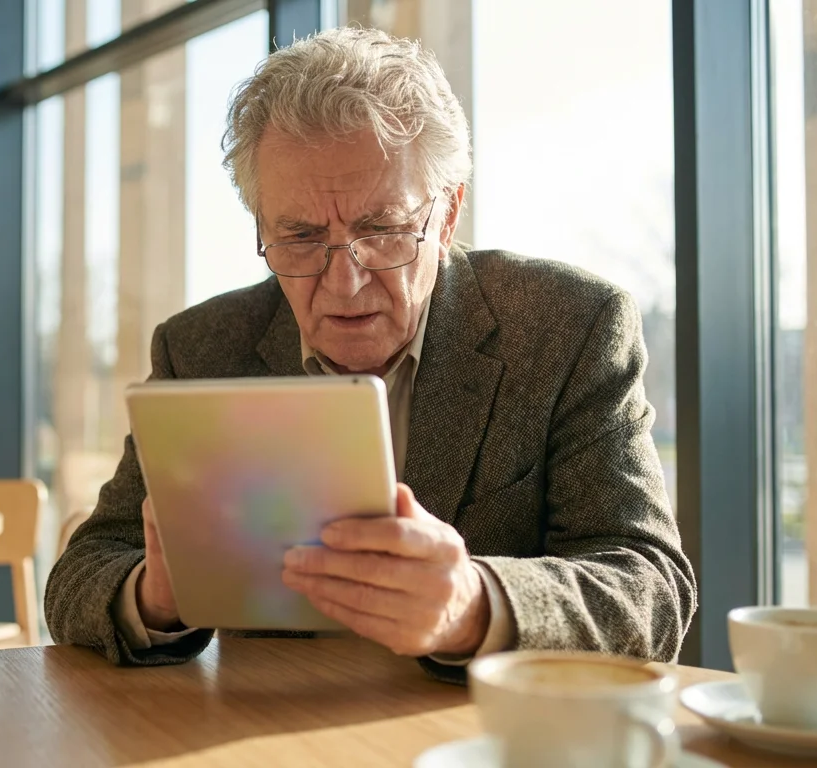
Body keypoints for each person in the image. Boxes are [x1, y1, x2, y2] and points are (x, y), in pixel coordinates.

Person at [43, 27, 696, 683]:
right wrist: (157, 596)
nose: (344, 281)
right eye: (299, 236)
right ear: (261, 228)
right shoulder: (202, 348)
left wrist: (477, 604)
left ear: (446, 217)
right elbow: (81, 571)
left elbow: (651, 587)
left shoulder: (567, 327)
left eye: (380, 230)